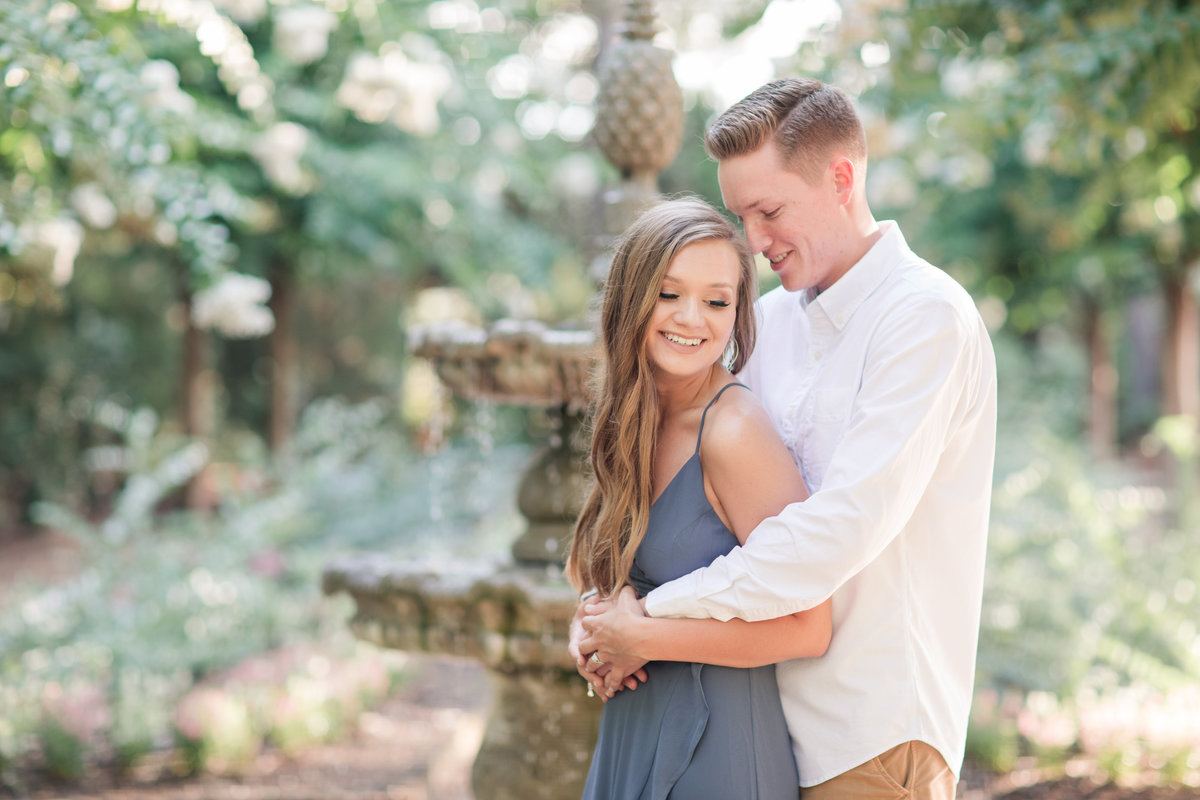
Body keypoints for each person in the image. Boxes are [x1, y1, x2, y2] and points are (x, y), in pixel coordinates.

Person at [574, 78, 998, 800]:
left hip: (867, 733)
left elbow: (838, 530)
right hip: (763, 722)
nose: (755, 241)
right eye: (742, 216)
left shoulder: (923, 321)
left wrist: (645, 620)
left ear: (841, 178)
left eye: (768, 211)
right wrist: (596, 624)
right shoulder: (769, 323)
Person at [565, 195, 833, 800]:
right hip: (633, 730)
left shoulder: (733, 431)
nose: (692, 318)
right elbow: (601, 577)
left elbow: (809, 625)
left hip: (717, 751)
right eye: (669, 293)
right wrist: (590, 636)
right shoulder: (631, 416)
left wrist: (642, 638)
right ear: (631, 297)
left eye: (717, 301)